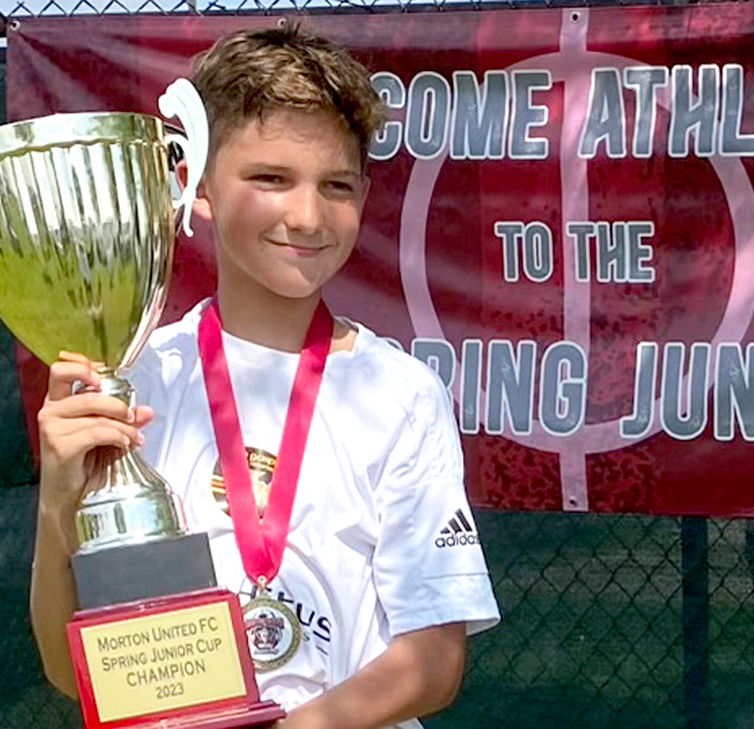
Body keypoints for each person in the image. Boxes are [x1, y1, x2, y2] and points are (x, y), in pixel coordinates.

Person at [30, 24, 499, 729]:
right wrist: (55, 505)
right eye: (270, 178)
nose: (307, 215)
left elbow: (434, 660)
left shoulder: (400, 395)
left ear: (365, 195)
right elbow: (75, 673)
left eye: (335, 185)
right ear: (197, 185)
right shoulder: (138, 382)